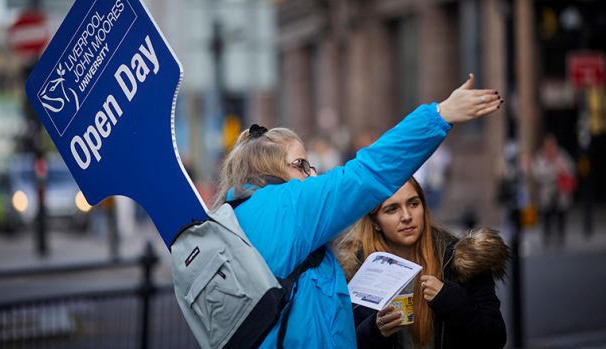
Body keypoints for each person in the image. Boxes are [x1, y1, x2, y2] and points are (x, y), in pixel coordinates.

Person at [212, 74, 502, 348]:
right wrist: (440, 114)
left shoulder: (233, 216)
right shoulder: (290, 207)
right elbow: (367, 172)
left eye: (413, 203)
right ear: (270, 170)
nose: (313, 175)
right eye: (301, 165)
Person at [336, 177, 510, 349]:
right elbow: (340, 343)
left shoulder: (462, 260)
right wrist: (374, 330)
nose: (406, 216)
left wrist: (449, 299)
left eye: (413, 203)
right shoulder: (357, 272)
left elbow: (495, 338)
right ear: (375, 222)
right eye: (392, 209)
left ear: (424, 207)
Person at [532, 134, 576, 246]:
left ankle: (561, 237)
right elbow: (537, 174)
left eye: (552, 145)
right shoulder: (540, 156)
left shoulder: (562, 155)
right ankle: (546, 238)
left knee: (561, 213)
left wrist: (562, 169)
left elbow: (571, 169)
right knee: (547, 214)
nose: (550, 147)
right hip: (546, 191)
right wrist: (554, 172)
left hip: (560, 191)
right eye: (548, 145)